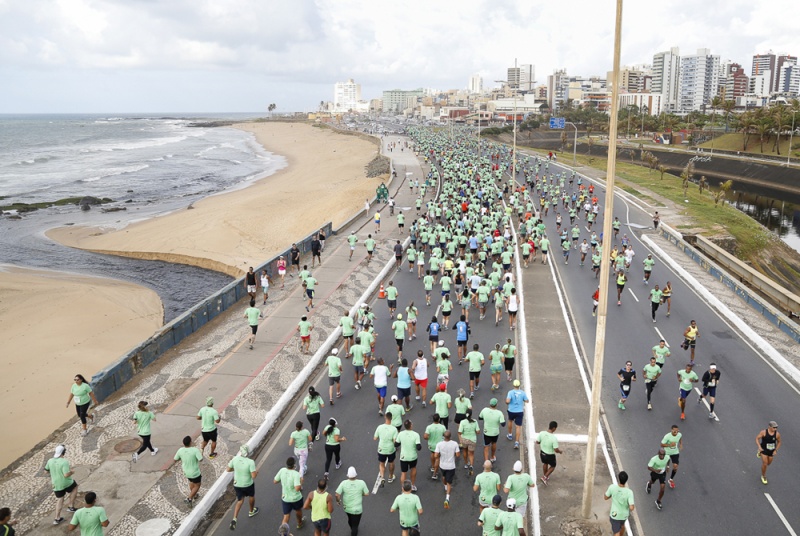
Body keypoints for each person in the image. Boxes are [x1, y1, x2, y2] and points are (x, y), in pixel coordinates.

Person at [44, 445, 78, 525]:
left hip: (56, 484)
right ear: (63, 453)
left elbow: (45, 471)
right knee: (75, 487)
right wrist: (72, 472)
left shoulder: (50, 461)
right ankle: (71, 506)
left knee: (60, 499)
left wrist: (53, 472)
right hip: (66, 482)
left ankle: (57, 518)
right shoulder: (64, 461)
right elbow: (66, 475)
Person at [227, 444, 259, 530]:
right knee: (251, 496)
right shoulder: (250, 462)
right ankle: (251, 511)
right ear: (248, 453)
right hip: (248, 484)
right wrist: (256, 471)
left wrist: (237, 469)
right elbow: (253, 476)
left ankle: (234, 518)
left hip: (237, 484)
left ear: (241, 452)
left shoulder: (235, 459)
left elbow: (228, 469)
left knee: (240, 500)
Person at [336, 467, 369, 536]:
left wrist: (338, 501)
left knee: (350, 519)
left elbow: (337, 494)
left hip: (347, 507)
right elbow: (366, 493)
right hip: (357, 509)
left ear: (347, 475)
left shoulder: (343, 483)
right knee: (355, 526)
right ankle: (354, 530)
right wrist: (360, 493)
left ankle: (352, 528)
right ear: (356, 475)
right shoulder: (361, 482)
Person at [274, 457, 304, 530]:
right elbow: (297, 488)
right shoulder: (296, 474)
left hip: (285, 498)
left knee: (286, 516)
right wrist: (301, 482)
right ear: (294, 465)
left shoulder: (282, 470)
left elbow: (275, 481)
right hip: (296, 498)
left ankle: (283, 532)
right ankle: (299, 523)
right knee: (298, 510)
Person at [174, 435, 203, 505]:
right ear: (190, 442)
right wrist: (201, 451)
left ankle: (194, 495)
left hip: (186, 472)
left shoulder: (180, 450)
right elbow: (200, 459)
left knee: (192, 483)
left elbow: (175, 459)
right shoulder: (195, 450)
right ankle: (189, 498)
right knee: (197, 485)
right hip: (195, 472)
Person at [434, 431, 461, 509]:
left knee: (444, 477)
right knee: (450, 481)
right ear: (450, 436)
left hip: (442, 465)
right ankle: (447, 498)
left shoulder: (439, 444)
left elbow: (436, 455)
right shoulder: (455, 444)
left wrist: (440, 455)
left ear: (443, 436)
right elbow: (458, 454)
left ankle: (445, 486)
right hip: (451, 465)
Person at [604, 471, 634, 536]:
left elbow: (605, 497)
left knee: (616, 532)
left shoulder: (612, 487)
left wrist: (612, 495)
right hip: (624, 515)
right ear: (626, 480)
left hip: (614, 515)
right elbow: (631, 508)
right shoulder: (629, 492)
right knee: (622, 525)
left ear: (618, 478)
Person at [396, 420, 422, 491]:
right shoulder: (416, 435)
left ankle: (403, 488)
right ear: (410, 426)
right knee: (413, 469)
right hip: (413, 457)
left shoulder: (400, 434)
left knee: (403, 473)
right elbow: (418, 447)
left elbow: (396, 444)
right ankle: (412, 485)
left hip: (403, 457)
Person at [375, 413, 398, 486]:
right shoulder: (394, 429)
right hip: (391, 449)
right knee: (391, 462)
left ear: (385, 417)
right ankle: (390, 476)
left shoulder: (379, 427)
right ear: (392, 418)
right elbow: (395, 441)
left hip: (381, 448)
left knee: (382, 463)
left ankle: (382, 477)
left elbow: (375, 438)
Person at [536, 421, 563, 486]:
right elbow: (556, 449)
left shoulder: (542, 433)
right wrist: (560, 452)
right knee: (553, 466)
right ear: (554, 428)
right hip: (550, 455)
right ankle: (544, 477)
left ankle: (546, 476)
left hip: (542, 453)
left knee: (545, 463)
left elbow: (537, 442)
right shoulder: (553, 438)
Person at [505, 380, 528, 449]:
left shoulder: (510, 392)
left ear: (513, 385)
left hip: (511, 410)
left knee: (510, 421)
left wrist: (507, 402)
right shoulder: (522, 393)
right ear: (519, 385)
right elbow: (527, 400)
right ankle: (517, 442)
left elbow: (507, 401)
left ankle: (510, 434)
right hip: (519, 411)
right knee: (518, 426)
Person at [457, 410, 480, 475]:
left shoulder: (462, 422)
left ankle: (466, 463)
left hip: (464, 439)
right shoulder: (475, 421)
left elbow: (460, 432)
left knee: (465, 451)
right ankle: (471, 465)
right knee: (471, 454)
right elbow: (478, 432)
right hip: (472, 440)